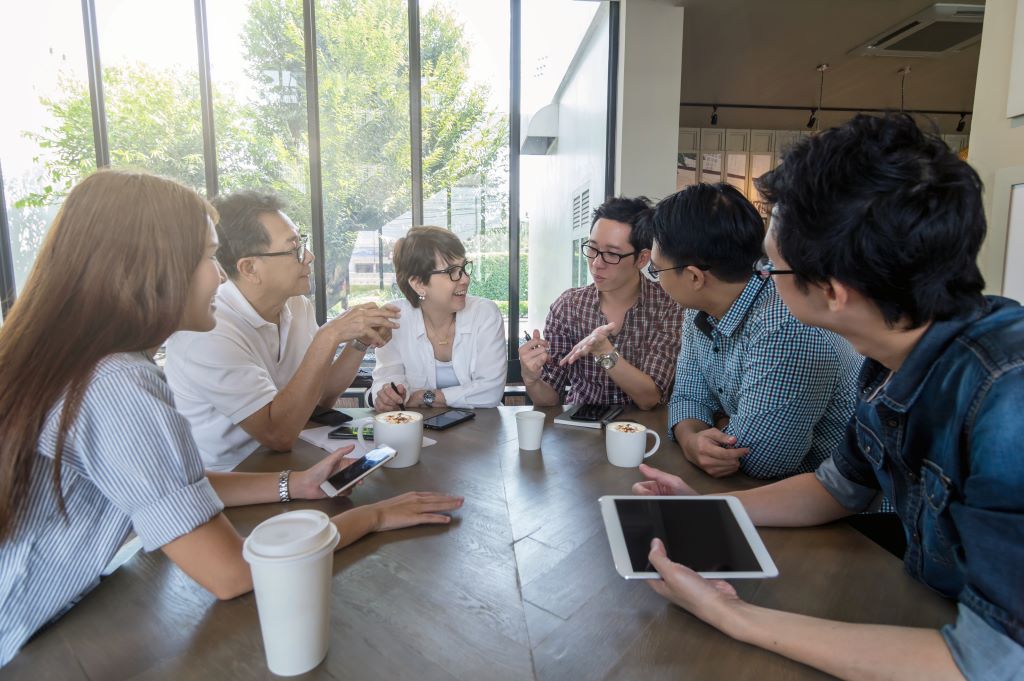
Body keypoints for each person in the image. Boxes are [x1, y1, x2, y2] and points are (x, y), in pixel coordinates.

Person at [0, 171, 463, 667]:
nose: (219, 276)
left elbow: (172, 486)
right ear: (148, 269)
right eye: (205, 257)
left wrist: (294, 485)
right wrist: (372, 517)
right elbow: (234, 575)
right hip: (33, 645)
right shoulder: (118, 385)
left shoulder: (88, 363)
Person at [635, 114, 1024, 679]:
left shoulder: (1007, 403)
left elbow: (988, 665)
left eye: (773, 265)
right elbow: (835, 488)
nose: (762, 277)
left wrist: (734, 615)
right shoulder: (894, 359)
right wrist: (709, 509)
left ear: (833, 292)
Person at [165, 191, 401, 471]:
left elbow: (320, 395)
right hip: (230, 482)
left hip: (290, 464)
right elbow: (277, 434)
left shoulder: (297, 306)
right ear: (250, 268)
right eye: (294, 250)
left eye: (303, 244)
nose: (309, 257)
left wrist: (360, 343)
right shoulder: (207, 329)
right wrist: (329, 336)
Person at [647, 184, 861, 480]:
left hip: (850, 513)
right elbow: (687, 397)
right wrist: (692, 439)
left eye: (657, 271)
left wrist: (718, 423)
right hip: (774, 495)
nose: (656, 280)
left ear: (695, 277)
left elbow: (762, 458)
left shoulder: (783, 322)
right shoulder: (699, 310)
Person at [519, 197, 686, 409]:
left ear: (642, 259)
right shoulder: (569, 306)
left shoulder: (668, 306)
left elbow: (650, 398)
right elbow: (550, 398)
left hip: (644, 432)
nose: (596, 264)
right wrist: (531, 379)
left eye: (612, 254)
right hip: (580, 431)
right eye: (592, 249)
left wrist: (604, 352)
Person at [371, 226, 507, 410]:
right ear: (419, 284)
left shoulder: (485, 314)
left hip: (482, 429)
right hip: (417, 430)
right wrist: (388, 396)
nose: (465, 279)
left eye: (464, 267)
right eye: (452, 271)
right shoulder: (395, 319)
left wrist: (424, 397)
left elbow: (490, 393)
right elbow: (386, 380)